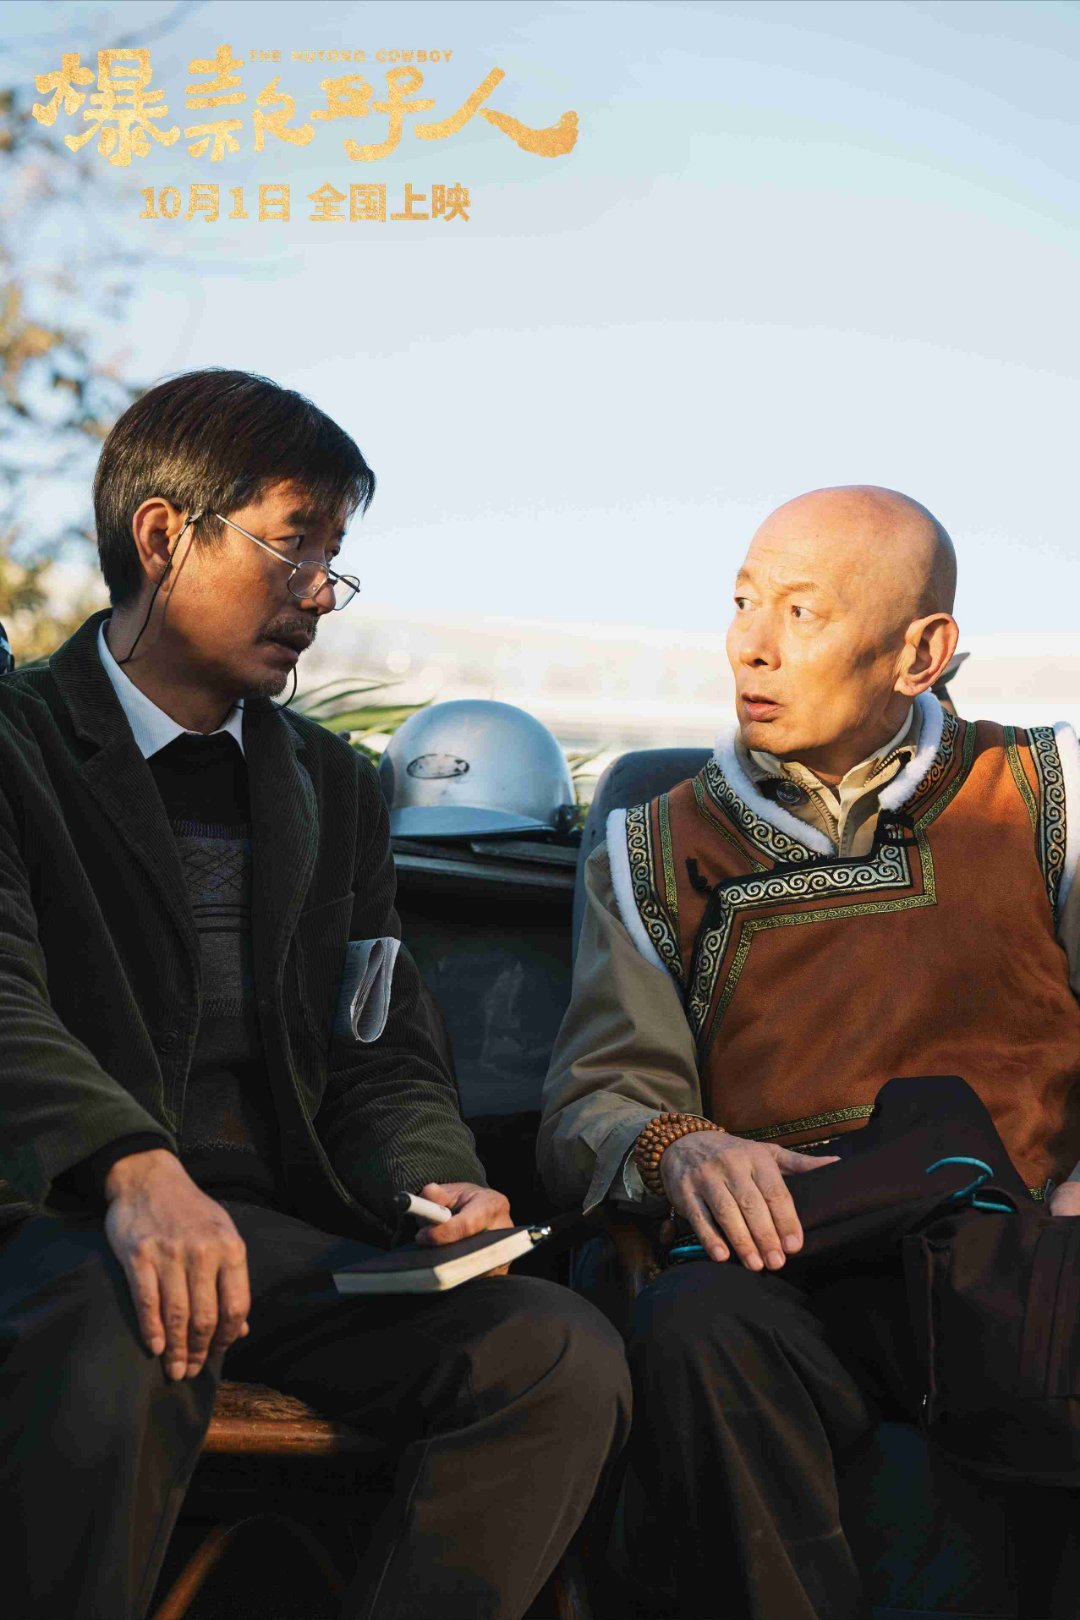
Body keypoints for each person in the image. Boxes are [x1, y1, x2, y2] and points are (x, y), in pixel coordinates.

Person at [0, 368, 630, 1620]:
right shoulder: (17, 745)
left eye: (335, 560)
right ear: (163, 536)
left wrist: (438, 1182)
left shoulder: (334, 787)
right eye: (295, 546)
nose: (321, 595)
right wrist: (134, 1169)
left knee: (558, 1355)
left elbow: (379, 1049)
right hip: (59, 1224)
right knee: (136, 1320)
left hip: (278, 1244)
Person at [539, 484, 1080, 1620]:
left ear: (921, 652)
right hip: (791, 1260)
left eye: (801, 611)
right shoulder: (651, 846)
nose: (751, 645)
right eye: (743, 602)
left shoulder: (1047, 798)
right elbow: (599, 1095)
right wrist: (681, 1150)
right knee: (694, 1326)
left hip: (1018, 1251)